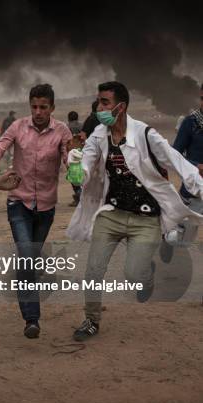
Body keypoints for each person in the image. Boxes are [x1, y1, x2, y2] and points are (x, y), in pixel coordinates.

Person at [66, 81, 203, 341]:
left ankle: (146, 277)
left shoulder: (146, 134)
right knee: (94, 269)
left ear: (121, 106)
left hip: (146, 218)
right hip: (112, 213)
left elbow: (179, 164)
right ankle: (92, 319)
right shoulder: (98, 134)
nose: (99, 107)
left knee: (134, 273)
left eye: (105, 102)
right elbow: (84, 171)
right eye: (99, 102)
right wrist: (75, 163)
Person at [0, 84, 71, 339]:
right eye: (34, 107)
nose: (38, 112)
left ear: (52, 108)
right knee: (27, 256)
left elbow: (69, 159)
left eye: (43, 107)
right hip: (18, 202)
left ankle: (28, 272)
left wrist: (75, 158)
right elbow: (0, 147)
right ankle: (32, 318)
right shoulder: (18, 126)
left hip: (46, 206)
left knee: (30, 254)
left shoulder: (61, 131)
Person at [160, 83, 203, 260]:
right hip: (194, 190)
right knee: (179, 238)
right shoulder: (191, 123)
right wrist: (195, 166)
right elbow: (174, 155)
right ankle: (167, 241)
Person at [67, 111, 83, 206]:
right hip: (82, 152)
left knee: (73, 177)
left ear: (69, 118)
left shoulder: (66, 127)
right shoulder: (82, 126)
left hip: (71, 154)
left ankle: (78, 196)